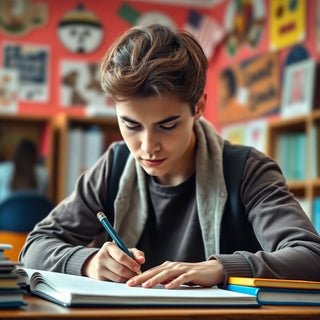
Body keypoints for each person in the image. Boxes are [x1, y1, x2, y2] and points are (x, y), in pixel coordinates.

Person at [20, 24, 320, 289]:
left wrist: (220, 268)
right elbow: (34, 247)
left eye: (168, 125)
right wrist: (88, 263)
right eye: (131, 125)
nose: (148, 146)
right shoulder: (115, 164)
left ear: (199, 107)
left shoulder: (247, 171)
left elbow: (311, 256)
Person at [0, 138, 49, 204]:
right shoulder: (44, 174)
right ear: (35, 157)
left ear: (15, 155)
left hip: (7, 213)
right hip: (34, 213)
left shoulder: (2, 170)